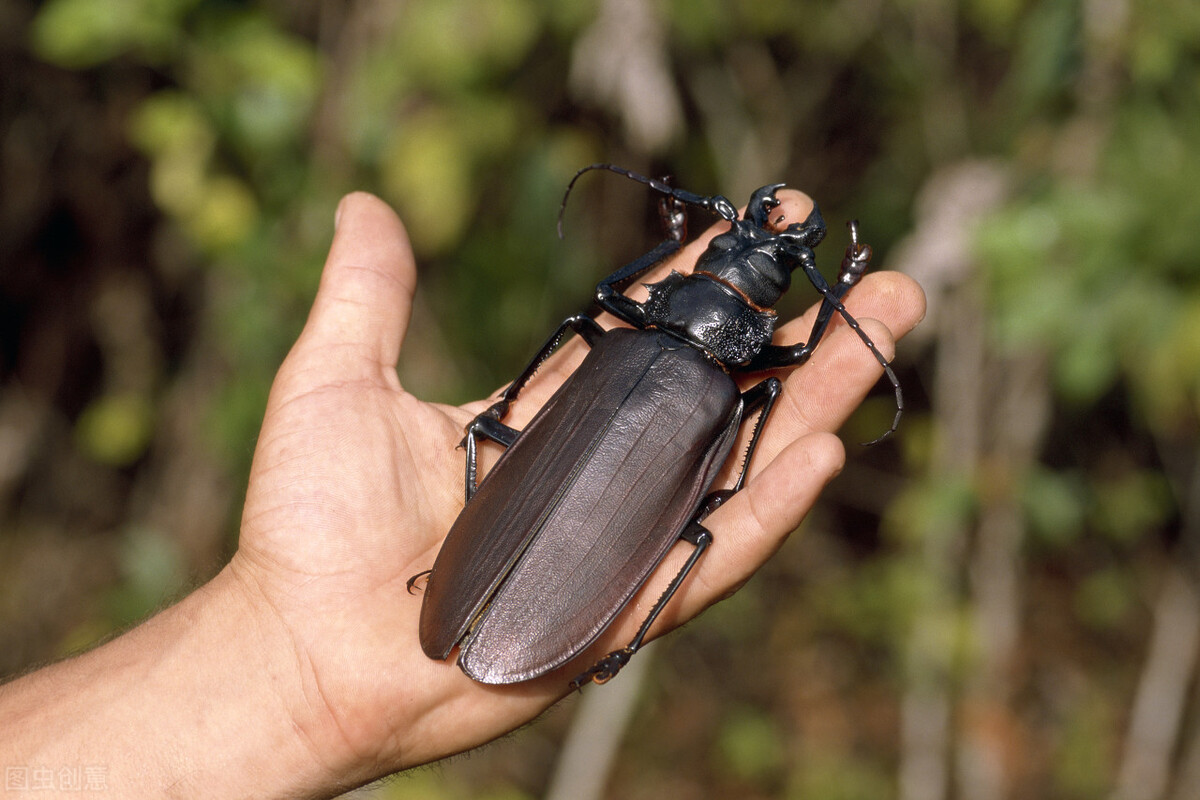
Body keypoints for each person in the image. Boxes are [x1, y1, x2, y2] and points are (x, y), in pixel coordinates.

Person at [0, 190, 925, 798]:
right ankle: (599, 630)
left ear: (690, 288)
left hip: (629, 439)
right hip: (668, 427)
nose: (761, 255)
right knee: (696, 535)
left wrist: (678, 246)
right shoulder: (731, 376)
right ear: (747, 314)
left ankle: (574, 611)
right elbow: (789, 362)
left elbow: (621, 302)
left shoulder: (636, 337)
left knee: (677, 514)